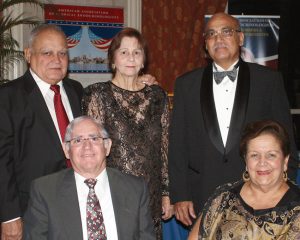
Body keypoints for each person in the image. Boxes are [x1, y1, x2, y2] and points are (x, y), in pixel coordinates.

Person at [168, 12, 298, 226]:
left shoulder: (269, 81)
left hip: (259, 192)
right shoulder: (185, 84)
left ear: (240, 38)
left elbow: (286, 139)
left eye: (226, 32)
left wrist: (284, 190)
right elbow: (178, 144)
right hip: (203, 193)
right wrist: (180, 194)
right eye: (212, 34)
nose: (218, 38)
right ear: (206, 44)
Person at [82, 27, 173, 239]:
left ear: (143, 61)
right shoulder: (97, 95)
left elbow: (165, 148)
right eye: (123, 52)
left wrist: (167, 193)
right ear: (112, 60)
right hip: (112, 195)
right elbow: (92, 151)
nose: (130, 57)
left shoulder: (158, 96)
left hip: (151, 197)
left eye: (137, 52)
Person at [0, 24, 84, 239]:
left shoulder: (77, 91)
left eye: (62, 53)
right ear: (28, 54)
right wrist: (9, 217)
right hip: (30, 212)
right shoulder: (8, 97)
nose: (57, 60)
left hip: (78, 206)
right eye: (47, 52)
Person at [23, 116, 156, 239]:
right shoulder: (45, 191)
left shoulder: (135, 189)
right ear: (66, 150)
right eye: (78, 140)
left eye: (94, 138)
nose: (87, 146)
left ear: (107, 146)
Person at [188, 120, 300, 239]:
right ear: (246, 161)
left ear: (285, 161)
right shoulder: (224, 198)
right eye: (254, 155)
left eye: (271, 155)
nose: (262, 162)